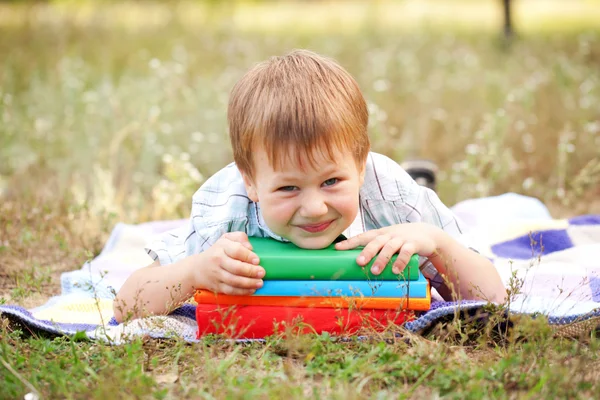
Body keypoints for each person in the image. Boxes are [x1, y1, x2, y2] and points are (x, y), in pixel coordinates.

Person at [113, 50, 506, 323]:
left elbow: (493, 300)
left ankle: (419, 176)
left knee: (413, 201)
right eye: (288, 189)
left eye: (331, 181)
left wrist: (436, 243)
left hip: (382, 193)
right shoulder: (228, 211)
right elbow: (126, 304)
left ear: (360, 163)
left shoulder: (392, 197)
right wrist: (195, 270)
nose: (315, 207)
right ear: (250, 181)